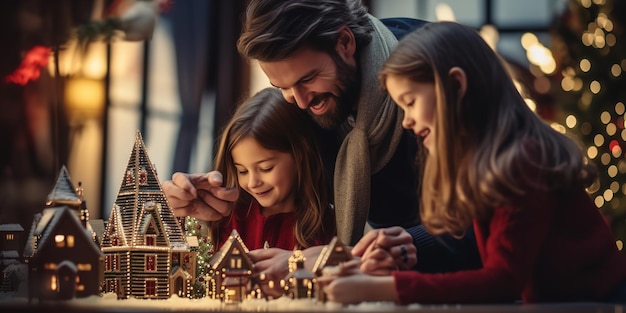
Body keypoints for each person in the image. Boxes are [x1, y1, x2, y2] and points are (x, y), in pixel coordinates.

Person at [163, 0, 481, 296]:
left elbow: (499, 219)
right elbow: (284, 181)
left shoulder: (442, 74)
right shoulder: (312, 107)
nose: (300, 101)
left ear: (345, 43)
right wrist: (211, 202)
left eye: (308, 79)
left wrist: (367, 252)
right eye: (282, 88)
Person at [318, 21, 626, 304]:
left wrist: (382, 287)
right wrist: (407, 248)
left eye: (410, 103)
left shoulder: (523, 161)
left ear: (455, 86)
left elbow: (501, 281)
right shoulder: (485, 163)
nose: (407, 121)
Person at [202, 87, 335, 251]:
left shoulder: (326, 226)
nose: (252, 183)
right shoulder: (231, 218)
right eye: (242, 171)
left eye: (266, 168)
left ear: (299, 155)